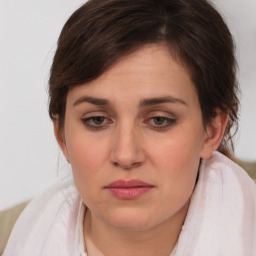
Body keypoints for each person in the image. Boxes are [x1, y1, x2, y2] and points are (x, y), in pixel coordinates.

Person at [3, 0, 256, 255]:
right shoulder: (10, 238)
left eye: (159, 120)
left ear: (212, 131)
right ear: (61, 135)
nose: (125, 155)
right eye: (97, 120)